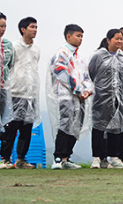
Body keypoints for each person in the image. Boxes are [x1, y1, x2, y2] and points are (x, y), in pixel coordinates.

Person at [48, 24, 93, 170]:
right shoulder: (62, 53)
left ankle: (67, 156)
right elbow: (62, 74)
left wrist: (87, 91)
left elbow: (86, 76)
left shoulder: (81, 57)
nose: (80, 39)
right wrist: (78, 90)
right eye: (77, 36)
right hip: (65, 96)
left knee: (76, 127)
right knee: (65, 125)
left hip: (80, 97)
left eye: (82, 36)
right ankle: (58, 157)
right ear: (68, 36)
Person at [0, 16, 41, 169]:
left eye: (36, 27)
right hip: (15, 93)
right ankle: (5, 159)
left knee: (26, 128)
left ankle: (21, 159)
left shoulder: (37, 48)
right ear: (23, 29)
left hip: (30, 94)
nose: (35, 30)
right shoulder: (14, 47)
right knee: (11, 127)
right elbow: (8, 66)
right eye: (32, 27)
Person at [88, 29, 123, 169]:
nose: (120, 41)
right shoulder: (99, 55)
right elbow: (91, 73)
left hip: (119, 98)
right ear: (108, 40)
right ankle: (97, 158)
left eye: (121, 39)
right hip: (101, 98)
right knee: (99, 127)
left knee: (117, 126)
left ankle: (114, 157)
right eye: (117, 39)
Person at [0, 13, 14, 135]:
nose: (3, 29)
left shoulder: (7, 45)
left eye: (4, 26)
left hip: (3, 88)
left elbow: (9, 66)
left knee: (4, 123)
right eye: (0, 26)